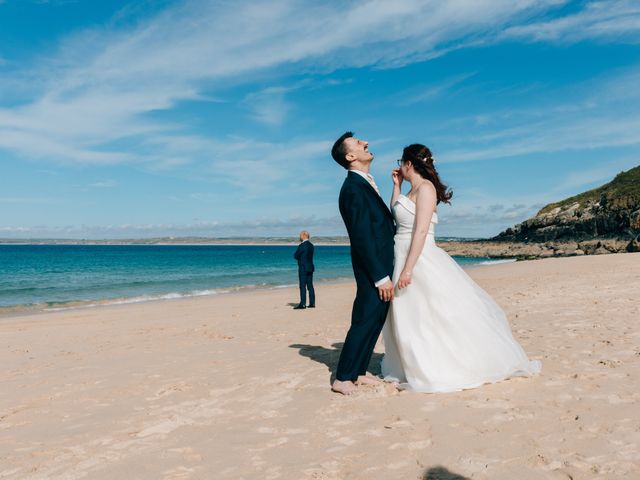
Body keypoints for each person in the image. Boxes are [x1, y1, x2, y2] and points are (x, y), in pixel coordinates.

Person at [381, 144, 541, 392]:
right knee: (411, 313)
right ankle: (412, 364)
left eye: (401, 161)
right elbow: (397, 215)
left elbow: (421, 231)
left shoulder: (426, 188)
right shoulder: (410, 189)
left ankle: (436, 365)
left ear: (408, 163)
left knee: (430, 313)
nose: (399, 165)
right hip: (401, 253)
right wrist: (396, 187)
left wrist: (409, 269)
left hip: (419, 257)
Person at [330, 132, 395, 395]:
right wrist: (380, 276)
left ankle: (357, 372)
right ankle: (342, 377)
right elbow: (361, 236)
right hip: (373, 268)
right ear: (350, 156)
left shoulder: (365, 182)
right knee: (364, 319)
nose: (365, 142)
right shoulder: (352, 188)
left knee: (376, 318)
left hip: (382, 263)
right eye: (358, 143)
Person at [293, 230, 315, 310]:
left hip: (303, 267)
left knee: (302, 286)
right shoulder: (311, 245)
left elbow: (296, 255)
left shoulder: (302, 245)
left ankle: (303, 304)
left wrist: (300, 258)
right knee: (310, 286)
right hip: (310, 267)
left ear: (303, 236)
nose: (299, 237)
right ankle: (312, 303)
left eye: (300, 235)